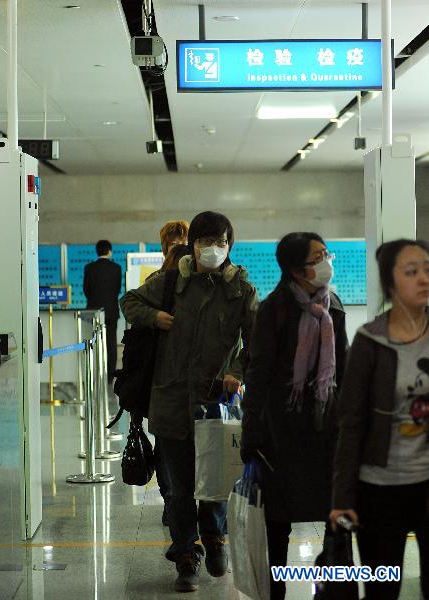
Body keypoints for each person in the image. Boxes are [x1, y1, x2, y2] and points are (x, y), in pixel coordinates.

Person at [120, 211, 258, 593]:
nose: (213, 249)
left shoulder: (240, 290)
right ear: (192, 244)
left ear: (230, 245)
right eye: (205, 241)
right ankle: (185, 555)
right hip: (169, 400)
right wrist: (155, 316)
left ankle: (214, 538)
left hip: (215, 403)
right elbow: (127, 301)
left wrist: (237, 372)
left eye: (221, 242)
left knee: (213, 483)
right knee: (178, 488)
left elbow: (256, 342)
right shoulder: (168, 282)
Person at [240, 232, 348, 600]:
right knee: (278, 520)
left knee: (335, 513)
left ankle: (332, 581)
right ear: (295, 268)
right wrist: (251, 432)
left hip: (326, 426)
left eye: (325, 253)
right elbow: (258, 373)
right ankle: (276, 589)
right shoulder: (274, 309)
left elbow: (343, 368)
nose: (325, 262)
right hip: (281, 431)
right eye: (317, 256)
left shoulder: (333, 304)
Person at [330, 238, 429, 600]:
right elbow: (350, 423)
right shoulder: (371, 342)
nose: (424, 279)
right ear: (390, 283)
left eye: (428, 269)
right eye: (412, 272)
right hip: (379, 490)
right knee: (383, 589)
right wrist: (341, 498)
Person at [151, 243, 191, 526]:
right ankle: (174, 503)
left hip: (172, 386)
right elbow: (129, 303)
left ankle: (174, 503)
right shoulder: (160, 286)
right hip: (164, 384)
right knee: (169, 449)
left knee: (169, 450)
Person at [83, 240, 122, 383]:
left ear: (97, 251)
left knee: (93, 342)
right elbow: (117, 290)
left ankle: (93, 374)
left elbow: (86, 290)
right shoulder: (116, 268)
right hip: (111, 311)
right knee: (111, 344)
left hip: (93, 311)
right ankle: (110, 377)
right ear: (109, 251)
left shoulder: (89, 268)